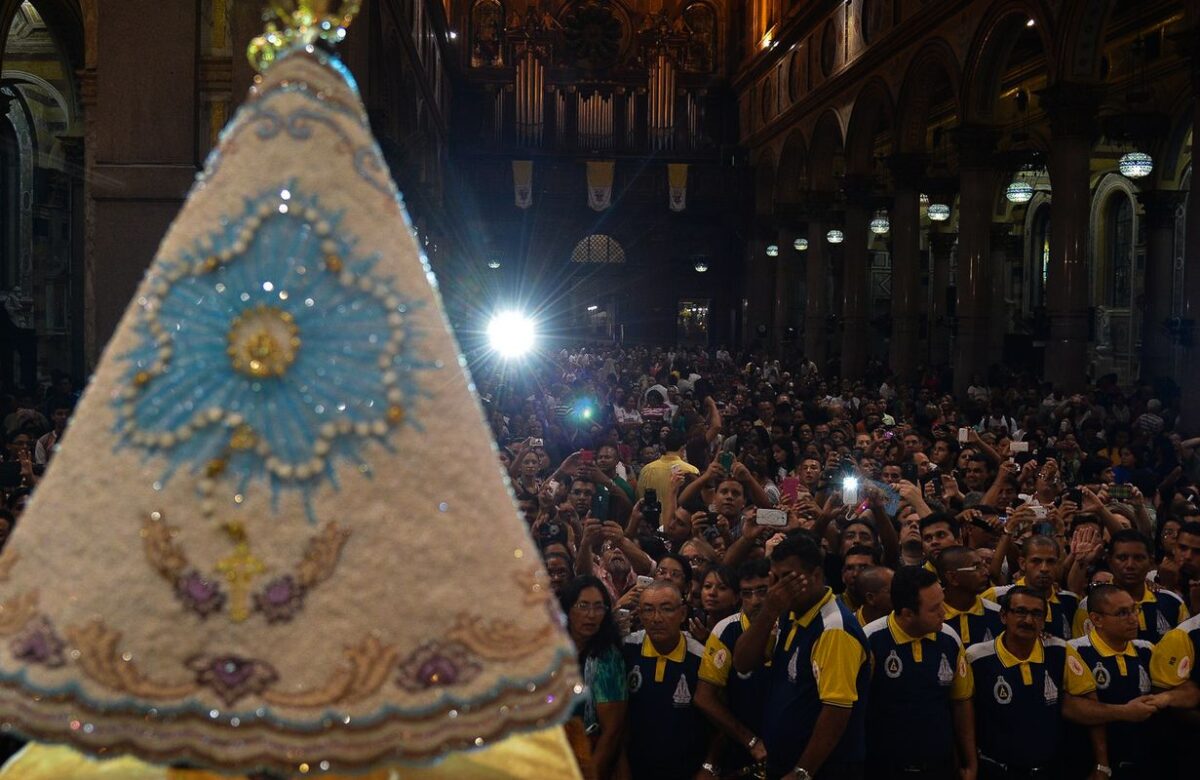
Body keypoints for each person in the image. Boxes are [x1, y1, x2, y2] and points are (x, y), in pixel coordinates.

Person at [965, 587, 1156, 779]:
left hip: (1051, 770)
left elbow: (1087, 703)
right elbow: (964, 715)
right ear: (1004, 616)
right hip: (995, 770)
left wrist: (1101, 764)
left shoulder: (1060, 650)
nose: (1029, 620)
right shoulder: (977, 657)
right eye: (1021, 612)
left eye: (1037, 614)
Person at [732, 531, 869, 780]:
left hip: (823, 770)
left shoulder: (835, 628)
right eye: (775, 578)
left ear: (816, 576)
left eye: (788, 578)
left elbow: (836, 709)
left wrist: (802, 771)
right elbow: (742, 663)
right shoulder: (789, 612)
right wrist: (769, 611)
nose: (778, 588)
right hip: (783, 761)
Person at [862, 566, 974, 779]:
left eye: (943, 602)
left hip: (939, 765)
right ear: (907, 613)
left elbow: (961, 702)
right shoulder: (870, 640)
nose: (944, 612)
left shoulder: (949, 638)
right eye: (934, 609)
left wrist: (970, 762)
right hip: (883, 767)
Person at [1070, 585, 1188, 779]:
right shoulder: (1075, 651)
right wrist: (1125, 712)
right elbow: (1073, 708)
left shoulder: (1147, 649)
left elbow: (1188, 690)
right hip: (1093, 763)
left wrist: (1165, 698)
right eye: (1122, 613)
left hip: (1146, 761)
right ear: (1096, 619)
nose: (1134, 619)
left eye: (1134, 610)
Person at [622, 580, 710, 779]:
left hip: (688, 769)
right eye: (648, 610)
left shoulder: (700, 657)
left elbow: (718, 722)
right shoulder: (626, 650)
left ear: (682, 614)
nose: (656, 618)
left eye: (666, 609)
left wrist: (709, 766)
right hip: (635, 768)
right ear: (639, 614)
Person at [695, 559, 772, 777]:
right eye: (747, 593)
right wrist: (750, 740)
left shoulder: (792, 624)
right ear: (739, 597)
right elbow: (704, 697)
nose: (755, 601)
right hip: (743, 751)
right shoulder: (727, 629)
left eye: (762, 591)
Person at [560, 576, 627, 779]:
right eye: (583, 606)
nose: (591, 615)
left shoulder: (606, 658)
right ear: (568, 609)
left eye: (599, 607)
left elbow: (611, 733)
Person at [1072, 530, 1189, 642]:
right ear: (1110, 561)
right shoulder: (1090, 605)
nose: (1130, 565)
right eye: (1122, 558)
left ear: (1150, 562)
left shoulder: (1173, 602)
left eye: (1138, 558)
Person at [986, 535, 1079, 640]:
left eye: (1050, 562)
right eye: (1036, 561)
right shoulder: (997, 596)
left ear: (1058, 564)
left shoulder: (1071, 600)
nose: (1044, 568)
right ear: (1022, 563)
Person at [937, 546, 1003, 646]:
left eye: (984, 566)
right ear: (953, 577)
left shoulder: (997, 614)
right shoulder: (931, 617)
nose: (986, 572)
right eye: (976, 568)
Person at [636, 430, 698, 501]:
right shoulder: (691, 470)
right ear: (683, 448)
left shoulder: (647, 469)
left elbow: (639, 498)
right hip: (676, 511)